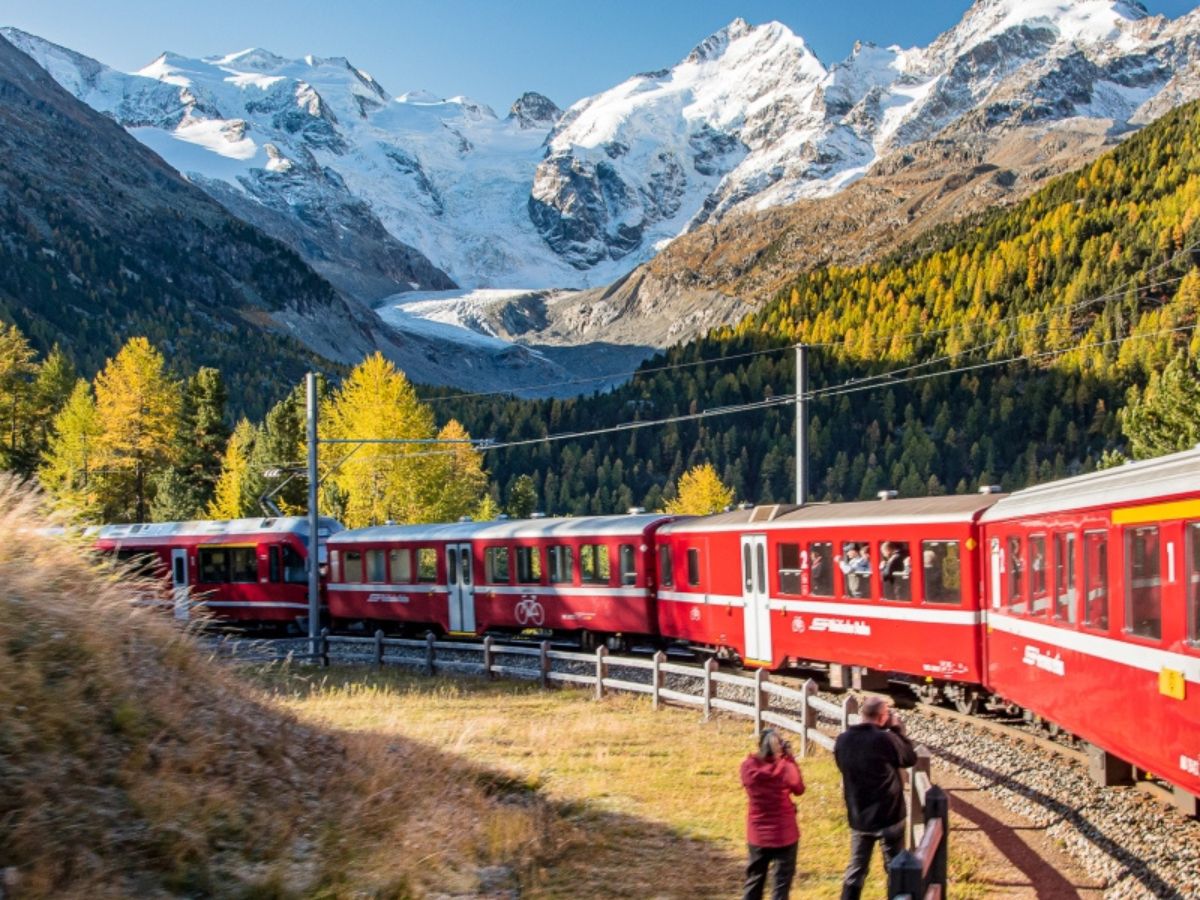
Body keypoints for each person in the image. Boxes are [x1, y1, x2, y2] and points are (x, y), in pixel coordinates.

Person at [833, 696, 918, 900]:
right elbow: (909, 757)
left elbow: (841, 766)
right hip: (889, 815)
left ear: (862, 714)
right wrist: (897, 730)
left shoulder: (843, 740)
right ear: (882, 717)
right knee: (895, 869)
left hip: (860, 816)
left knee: (856, 869)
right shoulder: (885, 740)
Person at [740, 728, 806, 900]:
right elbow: (799, 789)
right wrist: (789, 758)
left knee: (754, 881)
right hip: (785, 834)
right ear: (779, 748)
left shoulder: (748, 767)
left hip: (758, 834)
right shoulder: (786, 769)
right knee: (781, 886)